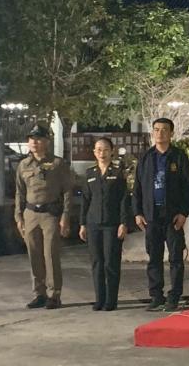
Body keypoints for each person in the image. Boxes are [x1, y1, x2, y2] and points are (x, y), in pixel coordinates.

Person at [134, 118, 189, 312]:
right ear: (152, 133)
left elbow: (188, 187)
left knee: (175, 258)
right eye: (156, 130)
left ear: (171, 133)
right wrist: (138, 212)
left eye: (164, 130)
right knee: (154, 257)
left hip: (173, 216)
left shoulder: (178, 156)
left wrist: (183, 212)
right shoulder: (146, 157)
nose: (160, 133)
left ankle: (174, 296)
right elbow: (137, 187)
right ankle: (156, 296)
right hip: (151, 216)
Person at [14, 124, 73, 309]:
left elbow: (67, 191)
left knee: (50, 255)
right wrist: (18, 217)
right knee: (34, 255)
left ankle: (54, 294)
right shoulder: (24, 165)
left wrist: (65, 215)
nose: (34, 142)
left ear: (47, 141)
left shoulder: (57, 164)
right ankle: (39, 293)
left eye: (38, 139)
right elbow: (19, 192)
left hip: (50, 214)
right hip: (30, 214)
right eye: (31, 139)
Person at [79, 137, 131, 311]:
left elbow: (124, 199)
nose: (102, 153)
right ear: (94, 152)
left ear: (112, 151)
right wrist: (82, 224)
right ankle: (99, 299)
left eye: (106, 149)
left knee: (110, 262)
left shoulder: (118, 173)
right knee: (97, 262)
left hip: (112, 223)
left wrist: (124, 222)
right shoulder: (90, 173)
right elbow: (85, 200)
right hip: (93, 223)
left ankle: (111, 300)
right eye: (99, 150)